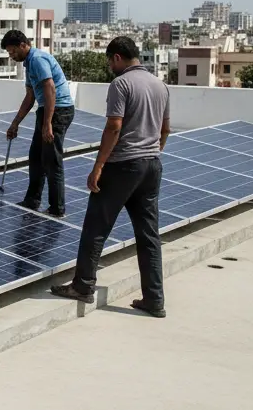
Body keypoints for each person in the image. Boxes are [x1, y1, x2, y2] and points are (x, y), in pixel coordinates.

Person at [51, 36, 171, 317]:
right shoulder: (160, 85)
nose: (109, 66)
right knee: (149, 235)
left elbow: (114, 127)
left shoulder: (122, 84)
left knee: (96, 227)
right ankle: (154, 299)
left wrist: (98, 166)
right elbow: (165, 129)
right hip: (151, 165)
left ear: (117, 57)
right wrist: (152, 152)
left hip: (123, 166)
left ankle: (83, 285)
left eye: (109, 60)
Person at [1, 29, 76, 218]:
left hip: (58, 110)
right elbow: (30, 96)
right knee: (36, 156)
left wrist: (48, 124)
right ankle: (32, 200)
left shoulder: (37, 59)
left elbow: (50, 89)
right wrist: (15, 123)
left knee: (51, 160)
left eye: (12, 51)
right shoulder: (28, 64)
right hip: (46, 111)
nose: (11, 56)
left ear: (23, 45)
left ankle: (57, 209)